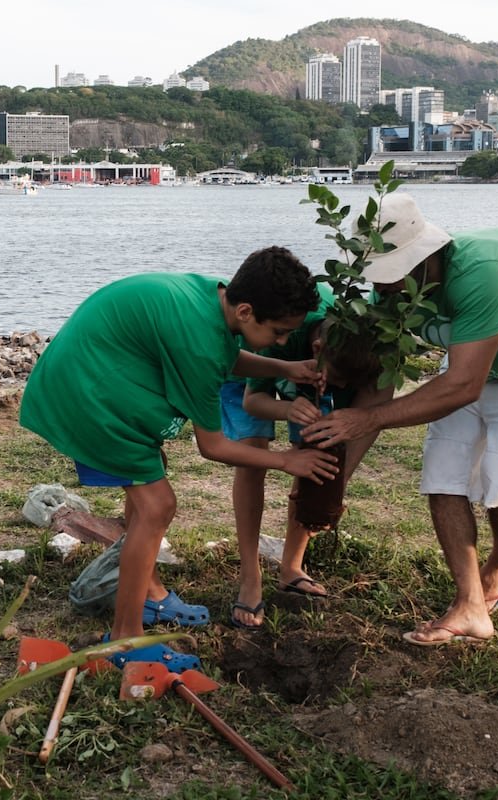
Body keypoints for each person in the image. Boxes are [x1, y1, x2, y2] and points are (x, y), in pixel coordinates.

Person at [303, 192, 498, 646]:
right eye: (376, 278)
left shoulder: (485, 270)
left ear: (425, 257)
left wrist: (369, 420)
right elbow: (377, 388)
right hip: (473, 365)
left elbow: (463, 386)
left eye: (390, 277)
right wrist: (336, 479)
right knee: (443, 477)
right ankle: (470, 606)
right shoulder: (392, 293)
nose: (381, 289)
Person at [20, 247, 339, 672]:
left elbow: (225, 354)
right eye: (280, 332)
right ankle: (125, 640)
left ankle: (149, 596)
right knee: (159, 505)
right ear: (246, 310)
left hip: (97, 375)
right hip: (88, 393)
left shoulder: (214, 298)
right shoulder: (202, 341)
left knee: (151, 482)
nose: (283, 341)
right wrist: (287, 461)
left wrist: (285, 368)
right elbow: (214, 446)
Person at [224, 298, 388, 629]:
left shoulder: (364, 351)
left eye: (348, 385)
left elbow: (369, 411)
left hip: (316, 382)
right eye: (339, 380)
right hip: (245, 372)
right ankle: (250, 577)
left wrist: (334, 484)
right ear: (316, 349)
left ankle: (292, 568)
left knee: (318, 459)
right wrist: (287, 409)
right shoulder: (280, 334)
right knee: (253, 457)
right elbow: (253, 401)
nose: (343, 389)